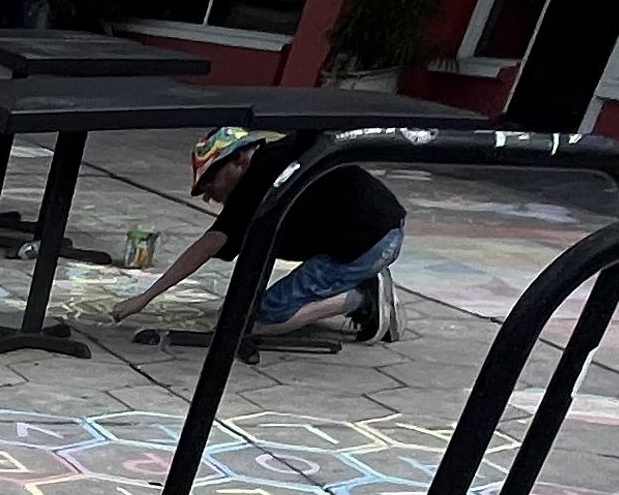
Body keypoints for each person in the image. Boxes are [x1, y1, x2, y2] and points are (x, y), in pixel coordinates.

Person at [114, 125, 403, 344]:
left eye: (210, 180)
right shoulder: (273, 161)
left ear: (238, 159)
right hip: (373, 232)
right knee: (244, 310)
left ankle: (364, 296)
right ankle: (360, 281)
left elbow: (207, 245)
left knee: (251, 322)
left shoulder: (256, 182)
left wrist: (144, 298)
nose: (208, 196)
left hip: (369, 243)